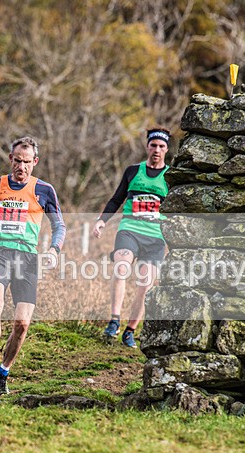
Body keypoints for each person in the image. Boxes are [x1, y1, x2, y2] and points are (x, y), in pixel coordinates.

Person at [0, 136, 66, 395]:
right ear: (10, 159)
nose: (21, 167)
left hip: (28, 257)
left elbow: (59, 225)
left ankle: (4, 372)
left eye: (27, 162)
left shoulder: (44, 190)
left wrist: (54, 250)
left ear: (35, 162)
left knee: (22, 323)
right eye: (17, 161)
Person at [93, 127, 171, 348]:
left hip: (155, 235)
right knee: (121, 266)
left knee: (144, 284)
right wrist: (101, 220)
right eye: (153, 145)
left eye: (161, 146)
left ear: (166, 150)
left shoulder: (170, 176)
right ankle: (114, 320)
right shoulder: (132, 171)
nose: (157, 150)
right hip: (130, 229)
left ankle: (130, 330)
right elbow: (116, 199)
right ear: (147, 146)